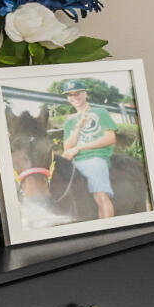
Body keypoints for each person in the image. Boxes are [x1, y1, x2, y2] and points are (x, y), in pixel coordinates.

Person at [53, 87, 130, 220]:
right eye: (70, 95)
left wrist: (80, 148)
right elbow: (68, 148)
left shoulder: (100, 112)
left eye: (77, 93)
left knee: (100, 196)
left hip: (94, 159)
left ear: (85, 94)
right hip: (74, 162)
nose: (74, 97)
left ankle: (107, 228)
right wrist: (78, 126)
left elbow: (110, 139)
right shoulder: (70, 121)